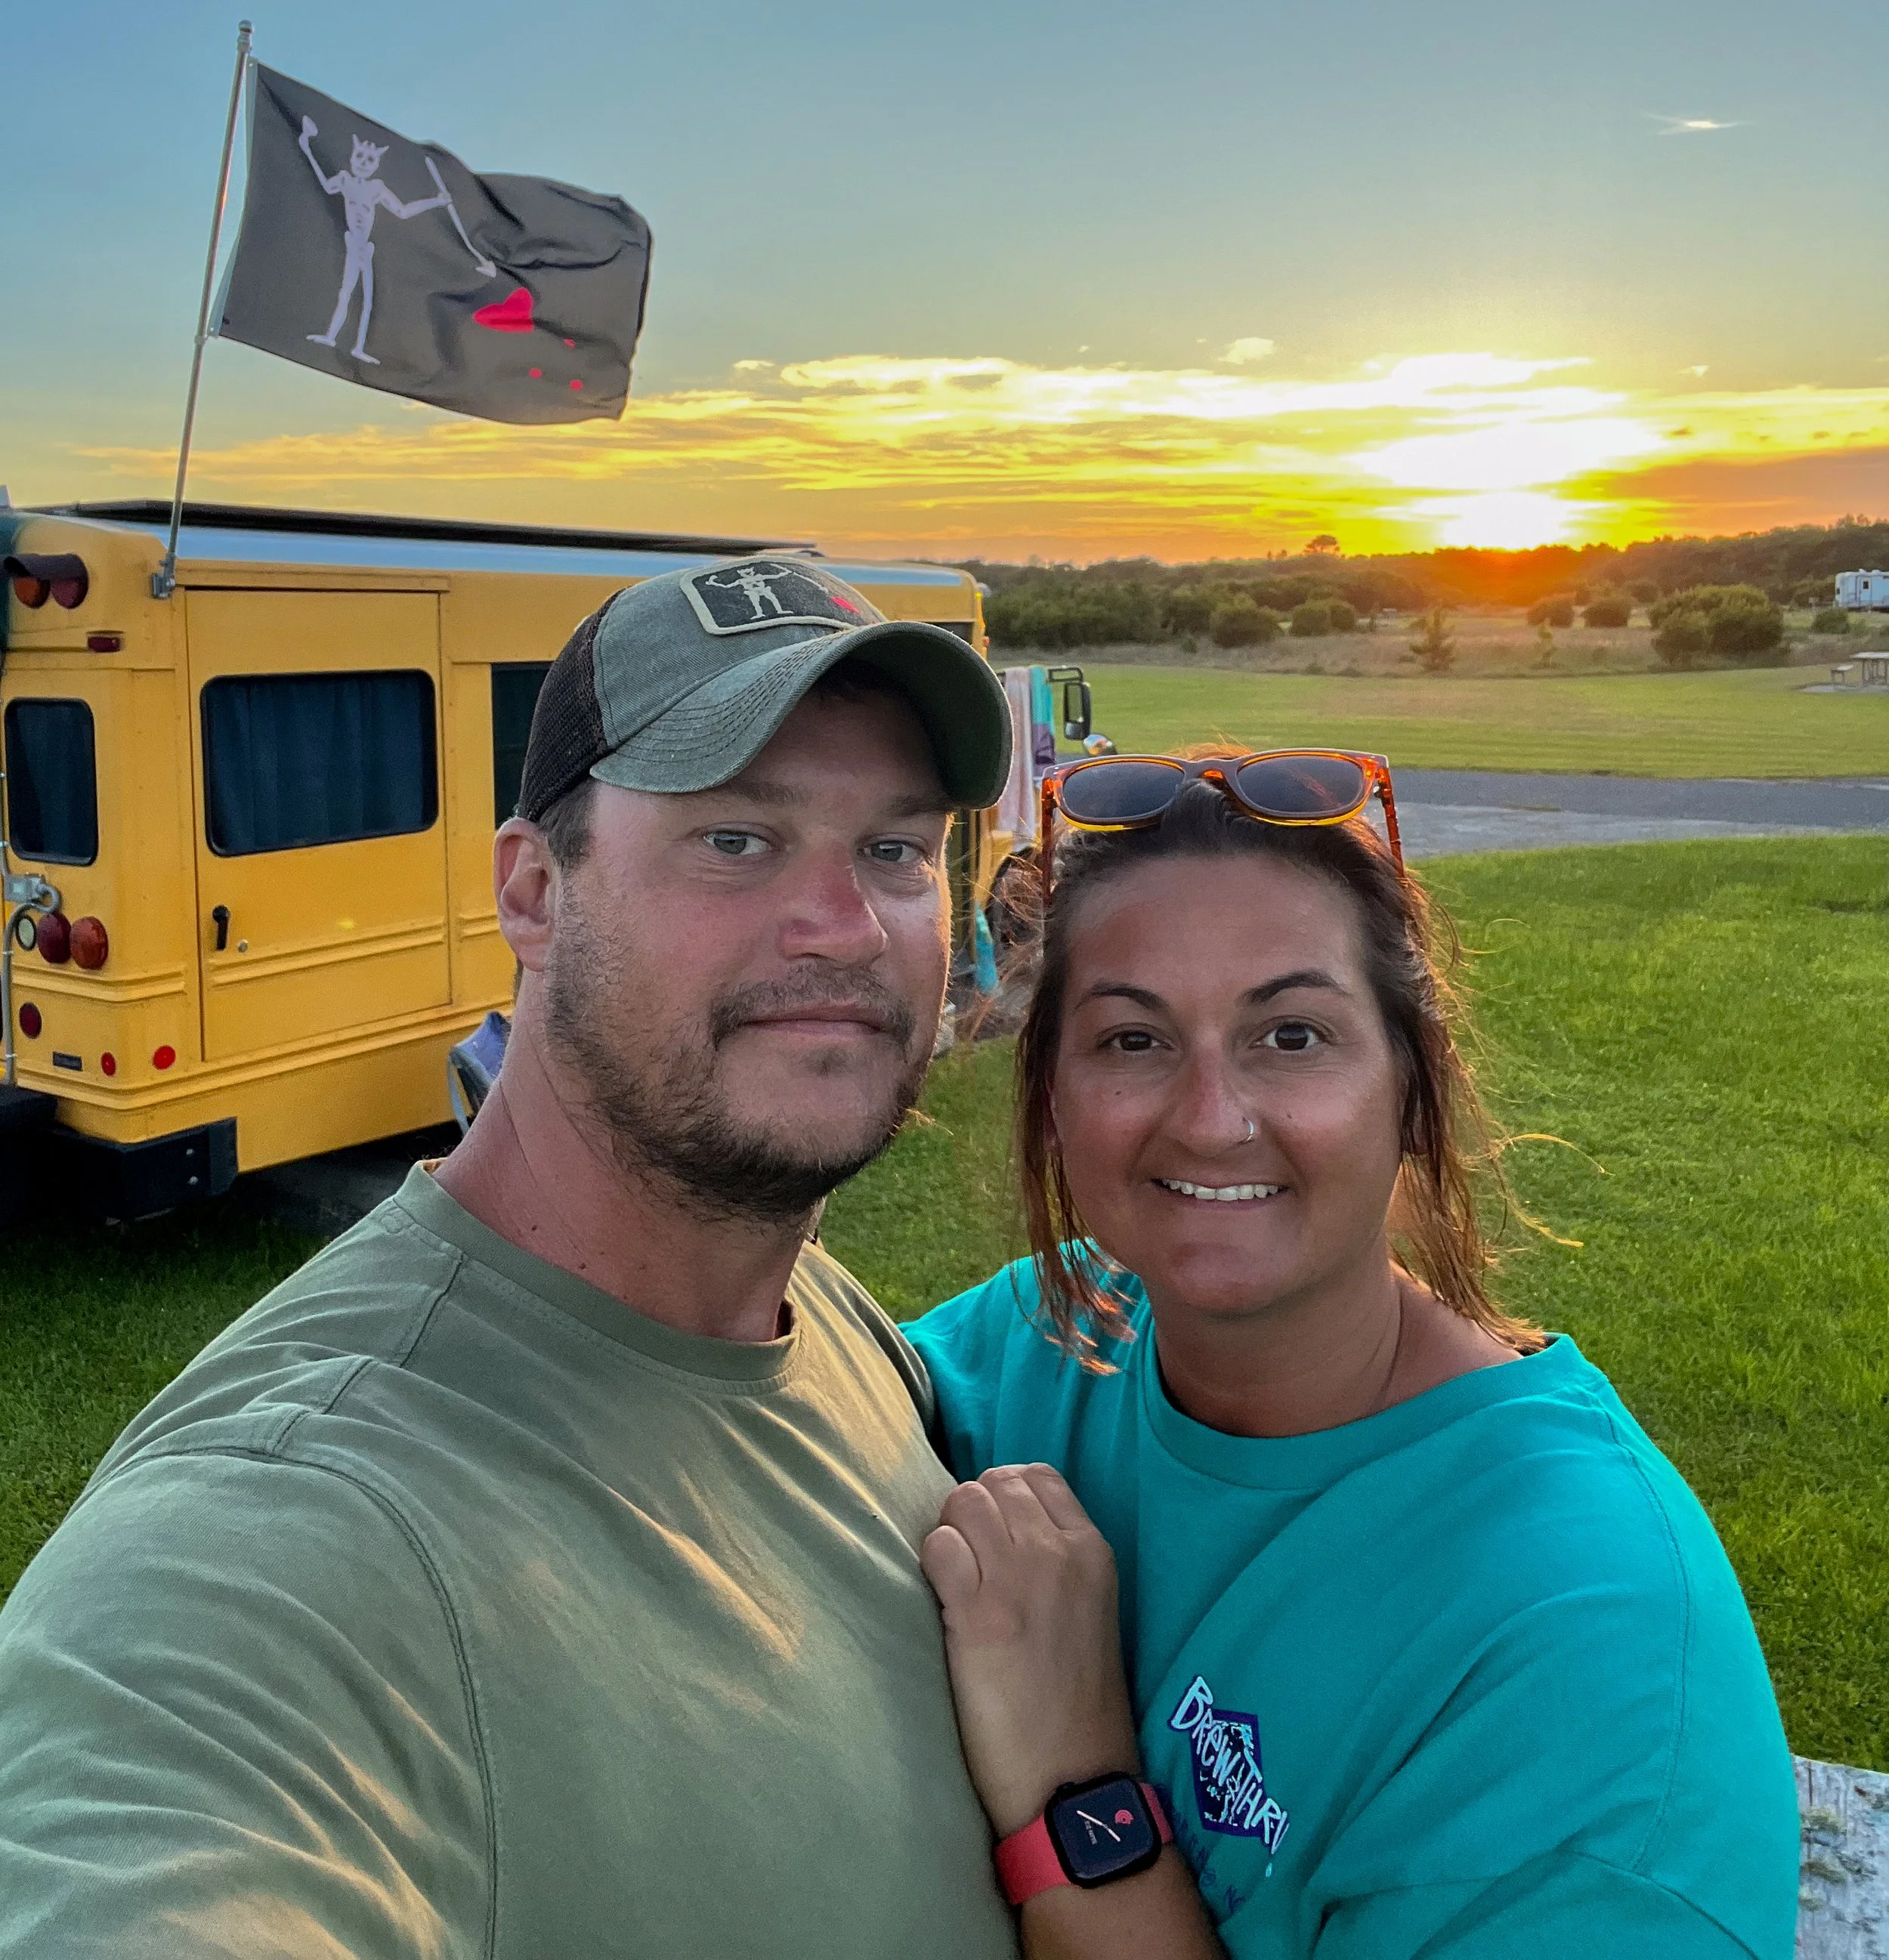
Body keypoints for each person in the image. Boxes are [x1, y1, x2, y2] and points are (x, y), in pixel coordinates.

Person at [0, 561, 1023, 1960]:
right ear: (535, 893)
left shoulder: (820, 1322)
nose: (844, 925)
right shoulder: (294, 1535)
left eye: (895, 850)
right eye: (737, 840)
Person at [904, 750, 1801, 1958]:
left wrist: (1079, 1791)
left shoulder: (1581, 1652)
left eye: (1291, 1034)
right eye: (1131, 1041)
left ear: (1413, 1091)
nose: (1211, 1117)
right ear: (1053, 1099)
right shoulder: (1052, 1338)